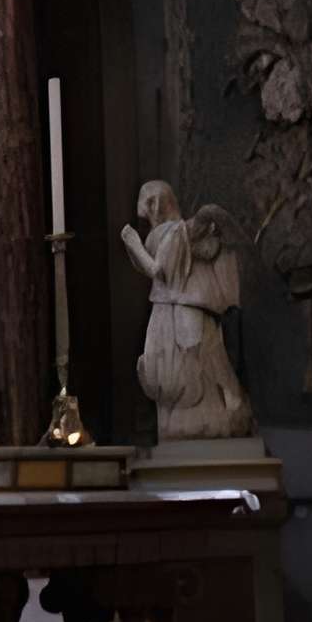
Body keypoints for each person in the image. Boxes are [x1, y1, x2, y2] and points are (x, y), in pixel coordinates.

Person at [121, 179, 250, 440]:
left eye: (147, 213)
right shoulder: (165, 234)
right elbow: (149, 269)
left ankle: (232, 405)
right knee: (171, 366)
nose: (147, 222)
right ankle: (182, 418)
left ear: (156, 204)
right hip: (167, 307)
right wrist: (134, 246)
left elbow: (157, 269)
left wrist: (132, 242)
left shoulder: (178, 232)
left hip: (187, 307)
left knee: (203, 354)